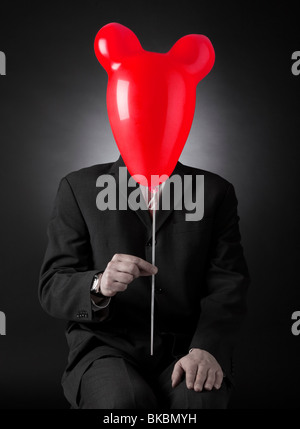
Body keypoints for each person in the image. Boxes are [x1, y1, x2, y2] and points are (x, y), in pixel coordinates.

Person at [39, 155, 250, 409]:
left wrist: (206, 347)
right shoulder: (78, 187)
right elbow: (52, 285)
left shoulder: (216, 191)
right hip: (107, 347)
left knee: (197, 405)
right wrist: (99, 284)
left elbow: (228, 283)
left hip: (190, 346)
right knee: (121, 404)